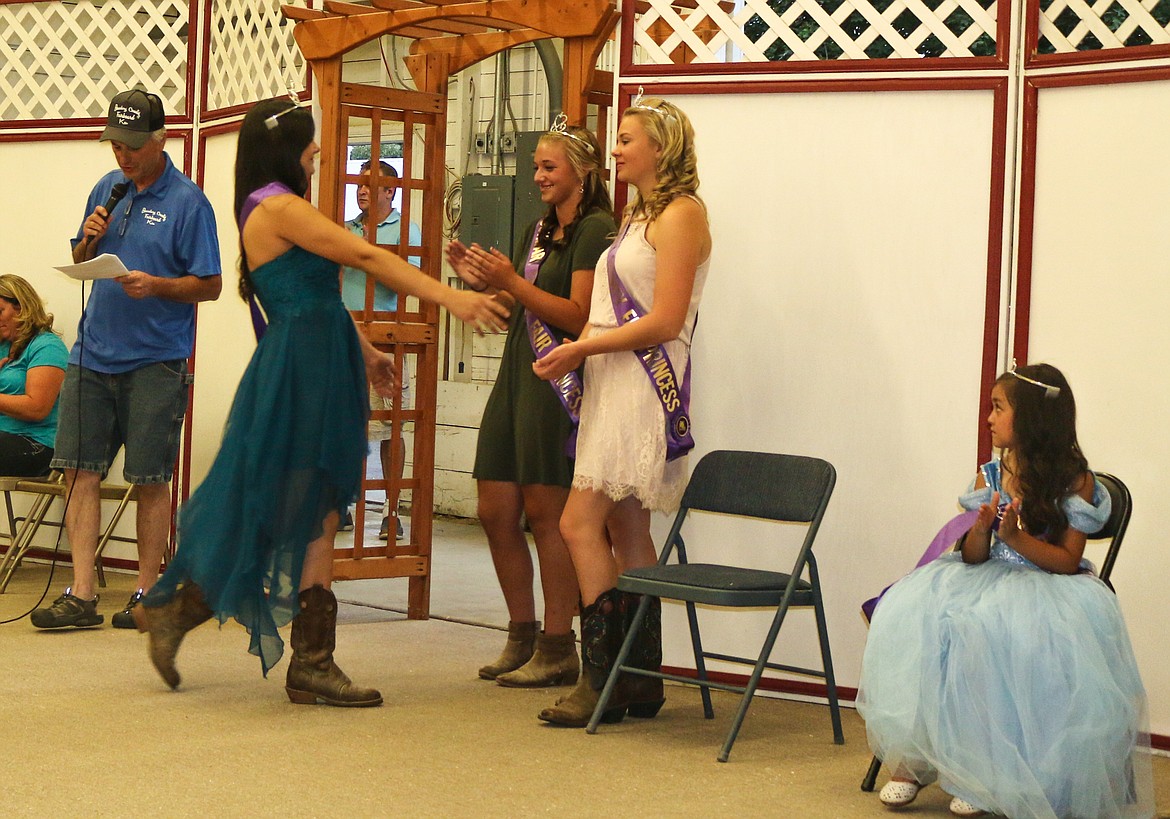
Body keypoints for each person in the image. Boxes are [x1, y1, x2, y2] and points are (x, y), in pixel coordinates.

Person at [133, 98, 508, 707]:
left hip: (318, 358)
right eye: (313, 141)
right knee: (300, 502)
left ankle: (249, 636)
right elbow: (363, 256)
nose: (322, 150)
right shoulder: (278, 207)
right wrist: (453, 298)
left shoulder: (276, 205)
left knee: (311, 502)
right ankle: (257, 638)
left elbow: (314, 294)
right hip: (301, 368)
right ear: (289, 146)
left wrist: (364, 351)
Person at [857, 364, 1154, 819]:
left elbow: (1066, 561)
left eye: (998, 408)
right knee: (930, 618)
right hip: (985, 577)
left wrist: (1015, 538)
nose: (989, 419)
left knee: (985, 630)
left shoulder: (1075, 480)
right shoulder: (991, 474)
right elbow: (975, 557)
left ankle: (985, 773)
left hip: (1049, 586)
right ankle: (917, 760)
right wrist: (981, 530)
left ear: (1032, 416)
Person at [532, 95, 711, 725]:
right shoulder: (637, 216)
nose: (615, 149)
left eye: (627, 139)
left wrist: (584, 344)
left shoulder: (683, 215)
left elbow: (664, 320)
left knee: (577, 523)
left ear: (660, 147)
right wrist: (588, 351)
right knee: (627, 529)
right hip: (612, 378)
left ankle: (601, 675)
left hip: (641, 384)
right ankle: (638, 680)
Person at [32, 89, 222, 631]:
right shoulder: (106, 189)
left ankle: (147, 593)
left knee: (149, 477)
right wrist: (86, 244)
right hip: (92, 356)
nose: (123, 155)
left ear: (161, 139)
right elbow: (78, 257)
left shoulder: (189, 202)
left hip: (156, 361)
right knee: (78, 472)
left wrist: (157, 285)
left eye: (133, 145)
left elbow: (210, 285)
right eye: (116, 144)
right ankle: (83, 592)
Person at [446, 116, 615, 687]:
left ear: (583, 172)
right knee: (495, 507)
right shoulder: (540, 231)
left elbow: (577, 316)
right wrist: (478, 282)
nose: (538, 176)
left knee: (547, 515)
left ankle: (557, 640)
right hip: (518, 373)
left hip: (558, 382)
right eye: (536, 167)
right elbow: (521, 302)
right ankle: (520, 631)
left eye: (549, 167)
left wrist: (513, 285)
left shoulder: (597, 229)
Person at [341, 159, 422, 542]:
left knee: (392, 426)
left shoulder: (406, 231)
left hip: (389, 341)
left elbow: (409, 283)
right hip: (348, 338)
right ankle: (342, 504)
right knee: (345, 423)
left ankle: (392, 509)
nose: (362, 191)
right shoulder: (345, 229)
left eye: (372, 186)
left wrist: (372, 256)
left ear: (392, 191)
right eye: (359, 184)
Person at [0, 275, 68, 477]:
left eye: (0, 311)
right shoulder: (3, 347)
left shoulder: (47, 346)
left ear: (21, 307)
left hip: (37, 442)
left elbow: (36, 408)